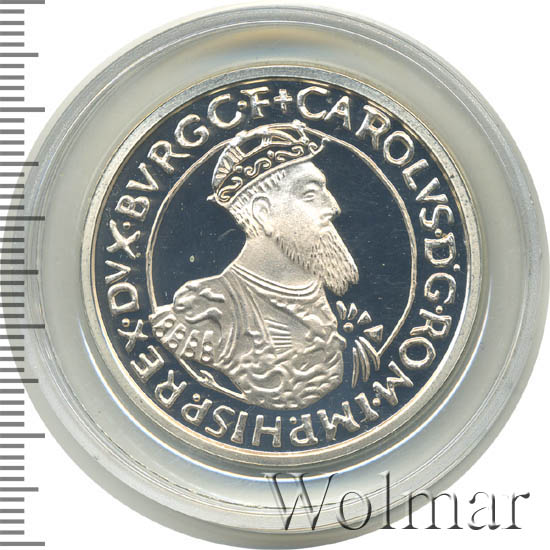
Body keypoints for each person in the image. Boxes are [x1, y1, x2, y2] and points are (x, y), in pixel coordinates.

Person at [151, 121, 359, 410]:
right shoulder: (207, 312)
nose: (333, 207)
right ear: (263, 213)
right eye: (311, 195)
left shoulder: (318, 284)